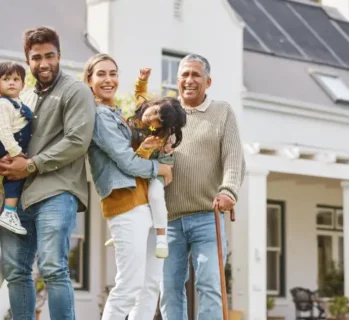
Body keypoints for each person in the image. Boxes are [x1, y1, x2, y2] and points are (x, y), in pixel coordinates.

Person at [0, 27, 96, 320]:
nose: (44, 63)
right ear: (27, 61)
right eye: (37, 57)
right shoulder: (22, 96)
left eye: (50, 56)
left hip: (57, 191)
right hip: (18, 197)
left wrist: (30, 165)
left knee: (53, 267)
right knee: (15, 271)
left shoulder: (76, 91)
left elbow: (78, 141)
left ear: (59, 56)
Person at [84, 53, 174, 319]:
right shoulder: (100, 117)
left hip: (146, 203)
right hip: (125, 205)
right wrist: (161, 168)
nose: (108, 79)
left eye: (113, 73)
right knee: (129, 285)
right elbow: (127, 162)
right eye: (101, 74)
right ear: (89, 80)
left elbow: (140, 148)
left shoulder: (119, 114)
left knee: (150, 287)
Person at [159, 54, 246, 320]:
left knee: (209, 284)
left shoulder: (222, 112)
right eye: (184, 75)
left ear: (207, 81)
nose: (189, 80)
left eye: (196, 75)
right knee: (170, 288)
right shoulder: (166, 115)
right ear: (177, 81)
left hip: (208, 215)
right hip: (169, 219)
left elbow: (233, 157)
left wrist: (228, 191)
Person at [104, 68, 186, 258]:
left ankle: (162, 238)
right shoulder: (142, 110)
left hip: (157, 164)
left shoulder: (156, 137)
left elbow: (141, 161)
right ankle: (120, 234)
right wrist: (142, 79)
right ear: (154, 104)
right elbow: (140, 93)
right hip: (146, 164)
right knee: (131, 193)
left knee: (155, 195)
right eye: (154, 111)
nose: (151, 118)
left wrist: (148, 146)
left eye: (157, 122)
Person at [0, 62, 32, 235]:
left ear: (23, 84)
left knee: (16, 178)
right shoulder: (3, 104)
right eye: (6, 79)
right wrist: (16, 152)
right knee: (14, 177)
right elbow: (4, 132)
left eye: (16, 79)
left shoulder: (18, 102)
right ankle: (9, 212)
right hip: (8, 145)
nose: (11, 82)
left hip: (15, 144)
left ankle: (9, 211)